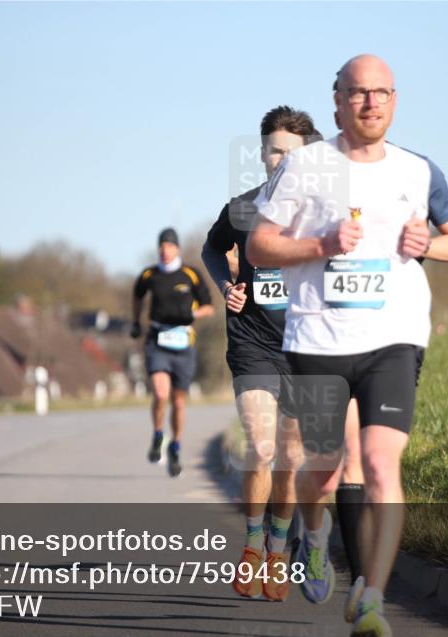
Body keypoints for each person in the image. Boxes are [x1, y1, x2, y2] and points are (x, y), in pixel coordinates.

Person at [247, 54, 448, 637]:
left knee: (378, 464)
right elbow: (259, 246)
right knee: (320, 473)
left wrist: (429, 242)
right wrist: (319, 243)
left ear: (394, 100)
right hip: (319, 341)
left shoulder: (419, 171)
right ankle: (315, 539)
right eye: (357, 93)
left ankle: (372, 599)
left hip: (393, 338)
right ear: (338, 102)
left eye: (381, 93)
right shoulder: (303, 167)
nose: (370, 103)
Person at [202, 106, 321, 602]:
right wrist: (228, 283)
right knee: (263, 446)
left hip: (302, 346)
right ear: (262, 153)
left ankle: (278, 548)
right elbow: (211, 248)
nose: (281, 159)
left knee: (292, 457)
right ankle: (253, 549)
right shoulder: (243, 208)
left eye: (291, 152)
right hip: (252, 342)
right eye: (273, 149)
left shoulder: (322, 213)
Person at [131, 229, 214, 477]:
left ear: (177, 249)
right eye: (161, 247)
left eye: (169, 247)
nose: (165, 251)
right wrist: (136, 321)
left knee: (178, 401)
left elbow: (209, 306)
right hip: (157, 340)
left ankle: (176, 445)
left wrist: (194, 314)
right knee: (160, 393)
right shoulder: (149, 274)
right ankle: (158, 434)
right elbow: (137, 295)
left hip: (184, 342)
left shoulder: (190, 274)